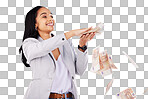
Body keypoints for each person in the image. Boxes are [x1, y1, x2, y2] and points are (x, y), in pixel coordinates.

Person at [19, 6, 96, 99]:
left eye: (51, 16)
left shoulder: (65, 43)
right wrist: (70, 33)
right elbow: (42, 48)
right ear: (35, 23)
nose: (50, 19)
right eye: (44, 16)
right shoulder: (30, 43)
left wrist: (82, 46)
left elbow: (80, 70)